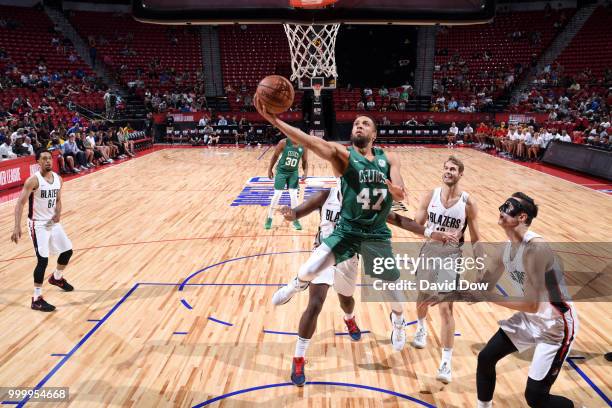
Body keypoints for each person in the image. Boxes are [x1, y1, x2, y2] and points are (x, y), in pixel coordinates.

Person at [255, 96, 410, 353]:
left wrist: (397, 191)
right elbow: (310, 141)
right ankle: (296, 284)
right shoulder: (343, 155)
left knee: (390, 287)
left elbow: (400, 190)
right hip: (348, 231)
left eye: (365, 124)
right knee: (309, 268)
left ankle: (398, 321)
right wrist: (275, 120)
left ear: (374, 134)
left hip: (376, 234)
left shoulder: (389, 159)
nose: (359, 126)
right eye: (356, 124)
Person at [280, 178, 458, 386]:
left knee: (346, 299)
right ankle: (299, 358)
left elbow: (398, 219)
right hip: (324, 252)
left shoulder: (365, 201)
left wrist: (432, 234)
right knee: (315, 304)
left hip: (349, 257)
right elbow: (296, 213)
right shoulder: (325, 196)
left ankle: (350, 318)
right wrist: (288, 213)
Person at [474, 193, 578, 408]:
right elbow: (484, 285)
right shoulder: (504, 249)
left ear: (522, 217)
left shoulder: (536, 249)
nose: (501, 210)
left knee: (536, 398)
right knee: (485, 358)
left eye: (508, 207)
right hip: (530, 319)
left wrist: (489, 297)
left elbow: (531, 304)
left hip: (555, 326)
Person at [412, 156, 481, 384]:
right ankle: (421, 327)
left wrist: (479, 267)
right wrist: (429, 230)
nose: (448, 172)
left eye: (453, 169)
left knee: (446, 309)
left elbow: (476, 239)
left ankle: (446, 362)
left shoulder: (468, 203)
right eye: (446, 168)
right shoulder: (430, 196)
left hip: (451, 257)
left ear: (461, 174)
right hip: (428, 252)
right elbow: (416, 225)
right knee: (422, 297)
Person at [11, 150, 75, 312]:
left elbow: (58, 200)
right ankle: (36, 298)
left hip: (52, 222)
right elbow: (20, 203)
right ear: (38, 162)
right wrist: (16, 226)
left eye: (49, 158)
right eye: (44, 159)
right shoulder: (33, 181)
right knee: (43, 260)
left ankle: (56, 278)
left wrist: (58, 213)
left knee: (67, 251)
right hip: (37, 224)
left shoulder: (58, 179)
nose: (48, 161)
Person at [264, 137, 308, 230]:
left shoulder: (303, 145)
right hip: (281, 172)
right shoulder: (283, 143)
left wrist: (305, 172)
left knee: (294, 196)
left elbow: (304, 161)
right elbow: (275, 156)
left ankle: (295, 219)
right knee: (277, 195)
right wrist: (269, 169)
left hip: (293, 173)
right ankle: (269, 218)